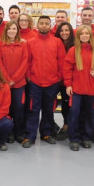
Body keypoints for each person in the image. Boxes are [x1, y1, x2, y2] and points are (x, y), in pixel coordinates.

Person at [63, 25, 94, 151]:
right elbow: (67, 69)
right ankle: (74, 139)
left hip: (93, 90)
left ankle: (87, 138)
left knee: (90, 114)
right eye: (82, 34)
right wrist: (68, 85)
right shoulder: (73, 51)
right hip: (76, 90)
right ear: (78, 36)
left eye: (87, 34)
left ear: (90, 36)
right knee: (74, 114)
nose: (84, 35)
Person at [23, 16, 65, 148]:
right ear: (37, 25)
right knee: (33, 109)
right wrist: (29, 77)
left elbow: (62, 61)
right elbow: (27, 61)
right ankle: (30, 136)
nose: (44, 26)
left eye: (47, 23)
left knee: (48, 109)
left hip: (52, 83)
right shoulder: (30, 42)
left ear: (50, 25)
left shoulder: (57, 42)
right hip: (35, 82)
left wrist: (59, 78)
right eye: (42, 23)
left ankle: (46, 133)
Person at [0, 20, 28, 143]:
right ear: (5, 30)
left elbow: (25, 62)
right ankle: (7, 133)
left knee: (19, 108)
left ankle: (19, 132)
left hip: (19, 83)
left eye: (14, 29)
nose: (12, 31)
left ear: (17, 31)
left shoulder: (23, 44)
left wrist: (14, 79)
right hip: (4, 83)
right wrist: (7, 80)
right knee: (6, 108)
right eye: (9, 29)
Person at [54, 22, 75, 141]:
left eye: (67, 30)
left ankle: (67, 126)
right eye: (62, 30)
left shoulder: (74, 44)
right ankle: (52, 125)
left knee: (68, 105)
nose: (64, 33)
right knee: (53, 104)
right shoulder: (55, 43)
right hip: (56, 79)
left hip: (70, 81)